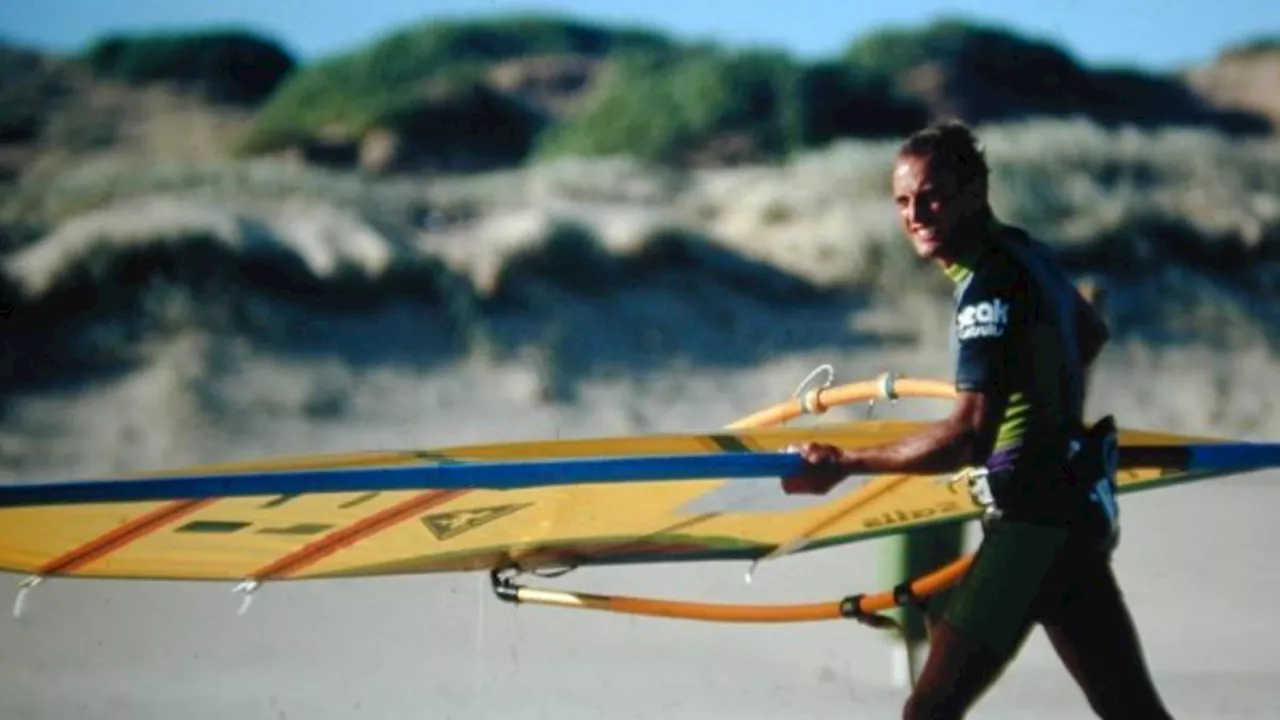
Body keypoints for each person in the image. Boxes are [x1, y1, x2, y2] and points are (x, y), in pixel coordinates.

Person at [780, 120, 1173, 719]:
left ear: (975, 191)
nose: (917, 213)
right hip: (1071, 519)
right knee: (1131, 711)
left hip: (1030, 526)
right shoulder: (1024, 254)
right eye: (904, 201)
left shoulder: (989, 284)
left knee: (928, 714)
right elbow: (1089, 334)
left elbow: (967, 437)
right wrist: (1053, 419)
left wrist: (845, 462)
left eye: (933, 195)